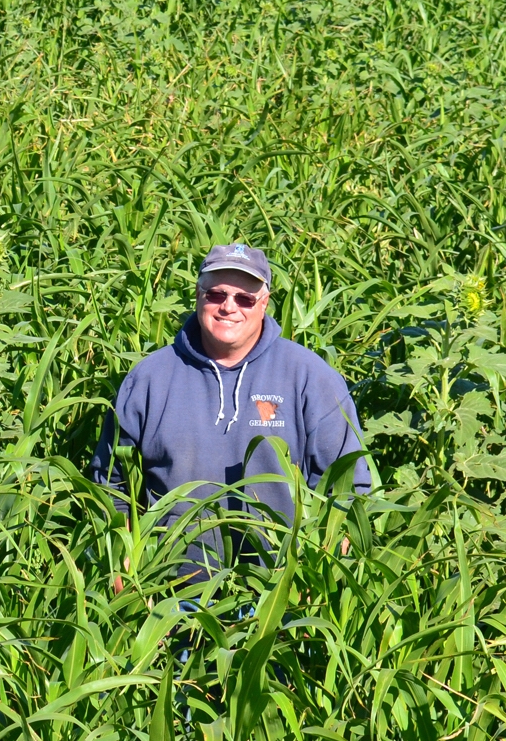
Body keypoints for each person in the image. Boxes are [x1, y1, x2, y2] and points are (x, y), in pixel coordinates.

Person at [91, 243, 370, 567]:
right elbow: (111, 484)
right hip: (166, 594)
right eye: (216, 294)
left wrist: (319, 578)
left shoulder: (310, 377)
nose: (228, 307)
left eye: (244, 298)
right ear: (198, 294)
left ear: (263, 303)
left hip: (279, 596)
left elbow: (348, 490)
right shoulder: (150, 378)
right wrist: (120, 567)